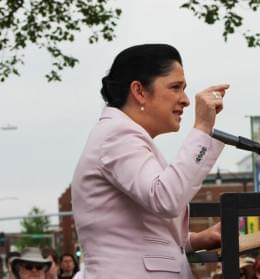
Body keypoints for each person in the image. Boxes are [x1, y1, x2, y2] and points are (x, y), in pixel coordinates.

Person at [71, 43, 228, 278]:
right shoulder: (116, 135)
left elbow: (138, 239)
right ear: (139, 91)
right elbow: (166, 198)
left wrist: (196, 240)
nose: (185, 100)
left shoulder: (123, 136)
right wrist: (202, 128)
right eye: (175, 87)